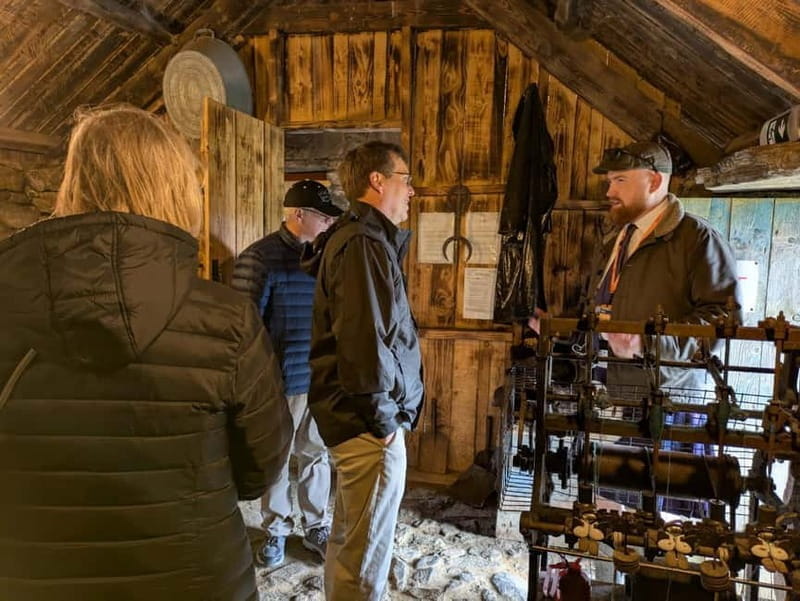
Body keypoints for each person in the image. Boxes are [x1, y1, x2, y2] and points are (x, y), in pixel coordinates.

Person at [0, 104, 292, 601]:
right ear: (177, 190)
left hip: (38, 569)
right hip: (193, 571)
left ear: (74, 183)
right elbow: (261, 465)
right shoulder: (226, 320)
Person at [301, 141, 424, 601]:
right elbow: (363, 343)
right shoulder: (361, 246)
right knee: (364, 554)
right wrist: (384, 422)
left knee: (354, 541)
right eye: (405, 179)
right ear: (378, 180)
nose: (411, 191)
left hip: (365, 421)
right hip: (368, 426)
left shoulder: (365, 242)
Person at [231, 180, 342, 567]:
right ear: (298, 215)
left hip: (318, 378)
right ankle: (276, 530)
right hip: (278, 383)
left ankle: (315, 526)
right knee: (277, 460)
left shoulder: (325, 258)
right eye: (323, 216)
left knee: (315, 455)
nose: (329, 223)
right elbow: (243, 329)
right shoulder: (258, 259)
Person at [590, 141, 739, 392]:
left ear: (655, 182)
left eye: (620, 181)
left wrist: (649, 344)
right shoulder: (621, 235)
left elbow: (724, 318)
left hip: (665, 397)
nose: (609, 192)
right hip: (613, 387)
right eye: (610, 181)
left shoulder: (698, 239)